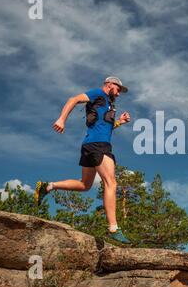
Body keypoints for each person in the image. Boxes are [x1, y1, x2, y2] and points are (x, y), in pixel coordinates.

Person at [34, 76, 131, 244]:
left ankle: (48, 186)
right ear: (109, 85)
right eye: (118, 89)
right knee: (111, 183)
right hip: (98, 146)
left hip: (90, 145)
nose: (119, 94)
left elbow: (104, 125)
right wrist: (62, 119)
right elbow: (74, 99)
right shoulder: (98, 94)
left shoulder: (107, 103)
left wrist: (120, 122)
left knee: (85, 185)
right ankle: (113, 228)